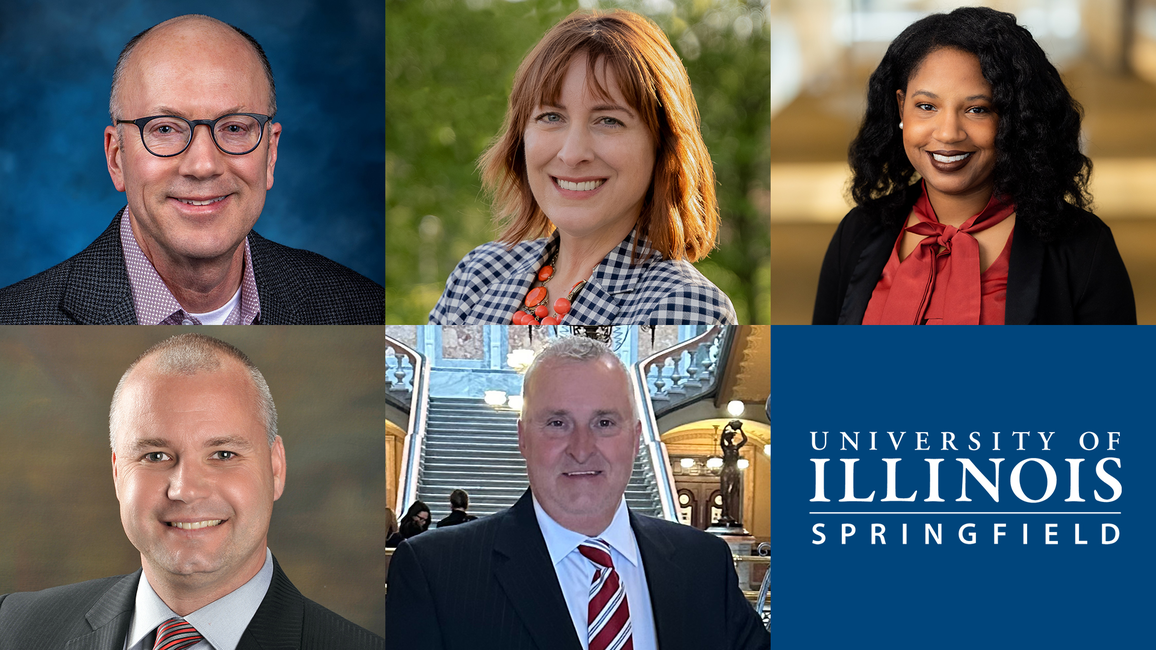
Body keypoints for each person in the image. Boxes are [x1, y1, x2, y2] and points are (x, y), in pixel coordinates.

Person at [0, 333, 383, 648]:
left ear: (276, 467)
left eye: (223, 453)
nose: (184, 490)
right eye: (155, 456)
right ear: (118, 474)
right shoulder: (13, 628)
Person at [386, 336, 768, 649]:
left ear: (636, 439)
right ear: (522, 438)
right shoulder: (435, 571)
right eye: (557, 422)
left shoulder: (703, 563)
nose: (582, 448)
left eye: (604, 422)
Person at [0, 14, 383, 325]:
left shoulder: (361, 310)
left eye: (234, 128)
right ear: (116, 157)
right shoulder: (16, 323)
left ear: (270, 154)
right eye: (165, 129)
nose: (203, 165)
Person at [813, 7, 1135, 325]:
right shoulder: (858, 231)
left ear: (1014, 119)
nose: (948, 133)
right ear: (901, 108)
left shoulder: (1084, 248)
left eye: (977, 109)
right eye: (926, 106)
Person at [429, 10, 736, 325]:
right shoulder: (477, 276)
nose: (572, 154)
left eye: (609, 120)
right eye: (551, 117)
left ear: (662, 144)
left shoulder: (687, 307)